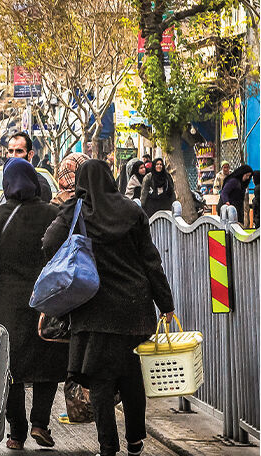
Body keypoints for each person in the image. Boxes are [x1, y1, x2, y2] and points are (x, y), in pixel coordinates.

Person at [43, 159, 174, 456]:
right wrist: (165, 304)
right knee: (131, 375)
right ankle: (136, 439)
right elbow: (151, 261)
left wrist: (73, 263)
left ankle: (107, 445)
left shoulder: (76, 211)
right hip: (134, 308)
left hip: (94, 308)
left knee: (100, 379)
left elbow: (49, 242)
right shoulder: (132, 211)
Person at [0, 158, 67, 451]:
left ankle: (17, 432)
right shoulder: (54, 216)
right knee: (47, 364)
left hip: (7, 308)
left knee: (10, 370)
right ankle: (40, 424)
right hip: (46, 304)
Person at [6, 132, 52, 202]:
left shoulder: (40, 184)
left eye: (19, 151)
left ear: (30, 154)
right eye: (11, 151)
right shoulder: (8, 179)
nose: (13, 155)